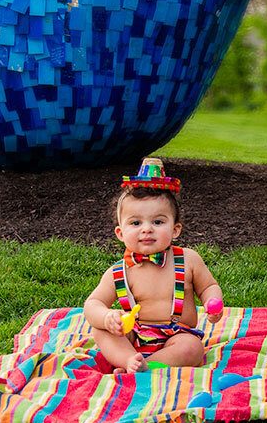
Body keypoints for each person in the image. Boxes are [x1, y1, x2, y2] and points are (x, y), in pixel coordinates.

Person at [83, 158, 223, 374]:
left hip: (177, 335)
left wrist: (213, 302)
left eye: (157, 222)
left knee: (192, 349)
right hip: (134, 335)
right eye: (136, 223)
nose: (147, 229)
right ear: (120, 233)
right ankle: (129, 360)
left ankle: (148, 366)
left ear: (175, 230)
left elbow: (208, 286)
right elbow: (93, 303)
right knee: (100, 331)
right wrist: (106, 318)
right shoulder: (118, 272)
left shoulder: (188, 260)